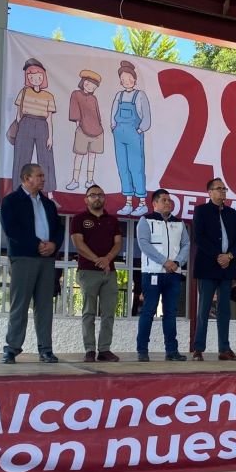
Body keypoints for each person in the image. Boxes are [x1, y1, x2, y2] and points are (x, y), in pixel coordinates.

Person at [0, 164, 64, 364]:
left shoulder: (48, 204)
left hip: (46, 259)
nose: (43, 179)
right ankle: (12, 348)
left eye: (43, 175)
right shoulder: (12, 201)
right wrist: (37, 245)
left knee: (45, 305)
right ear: (27, 178)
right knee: (20, 304)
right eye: (39, 175)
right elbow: (12, 230)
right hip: (24, 257)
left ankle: (45, 349)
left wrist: (53, 245)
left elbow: (58, 229)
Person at [192, 178, 236, 361]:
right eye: (219, 189)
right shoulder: (201, 211)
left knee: (225, 310)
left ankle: (224, 349)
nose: (222, 192)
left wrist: (229, 256)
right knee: (204, 309)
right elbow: (199, 237)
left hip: (227, 267)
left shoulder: (231, 213)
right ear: (209, 192)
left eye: (224, 189)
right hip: (208, 266)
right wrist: (218, 256)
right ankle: (198, 349)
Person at [135, 189, 189, 361]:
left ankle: (172, 351)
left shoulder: (179, 223)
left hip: (173, 274)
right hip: (152, 273)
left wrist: (177, 262)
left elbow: (186, 244)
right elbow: (144, 244)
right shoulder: (145, 220)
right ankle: (142, 350)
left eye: (169, 200)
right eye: (164, 200)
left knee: (171, 313)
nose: (168, 203)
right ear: (155, 203)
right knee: (148, 311)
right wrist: (164, 261)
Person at [72, 184, 123, 362]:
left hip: (109, 272)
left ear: (104, 198)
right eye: (92, 195)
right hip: (87, 271)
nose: (97, 198)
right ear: (86, 200)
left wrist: (107, 258)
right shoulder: (78, 219)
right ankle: (89, 350)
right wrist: (98, 260)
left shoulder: (112, 220)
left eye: (100, 195)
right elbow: (78, 244)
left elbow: (118, 243)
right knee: (89, 312)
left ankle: (104, 349)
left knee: (108, 313)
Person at [11, 58, 57, 200]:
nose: (35, 79)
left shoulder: (49, 96)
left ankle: (50, 194)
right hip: (26, 124)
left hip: (42, 125)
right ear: (28, 78)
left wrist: (51, 136)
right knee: (21, 158)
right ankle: (17, 192)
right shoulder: (23, 92)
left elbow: (49, 118)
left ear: (43, 76)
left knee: (46, 159)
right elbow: (19, 113)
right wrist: (18, 129)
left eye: (38, 76)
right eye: (31, 76)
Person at [111, 60, 151, 217]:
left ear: (134, 78)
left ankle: (142, 203)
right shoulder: (119, 95)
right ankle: (128, 202)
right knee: (123, 167)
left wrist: (141, 129)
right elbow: (113, 114)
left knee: (137, 167)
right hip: (119, 134)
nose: (125, 80)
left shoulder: (140, 95)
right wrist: (113, 126)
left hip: (134, 134)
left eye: (128, 77)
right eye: (122, 78)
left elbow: (146, 116)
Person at [67, 70, 104, 192]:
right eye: (88, 82)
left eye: (93, 85)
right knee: (79, 155)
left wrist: (99, 126)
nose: (90, 86)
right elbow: (74, 110)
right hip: (82, 129)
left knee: (92, 156)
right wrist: (78, 125)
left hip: (97, 131)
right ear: (83, 82)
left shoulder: (94, 98)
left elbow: (97, 115)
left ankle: (89, 180)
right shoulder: (76, 94)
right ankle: (75, 180)